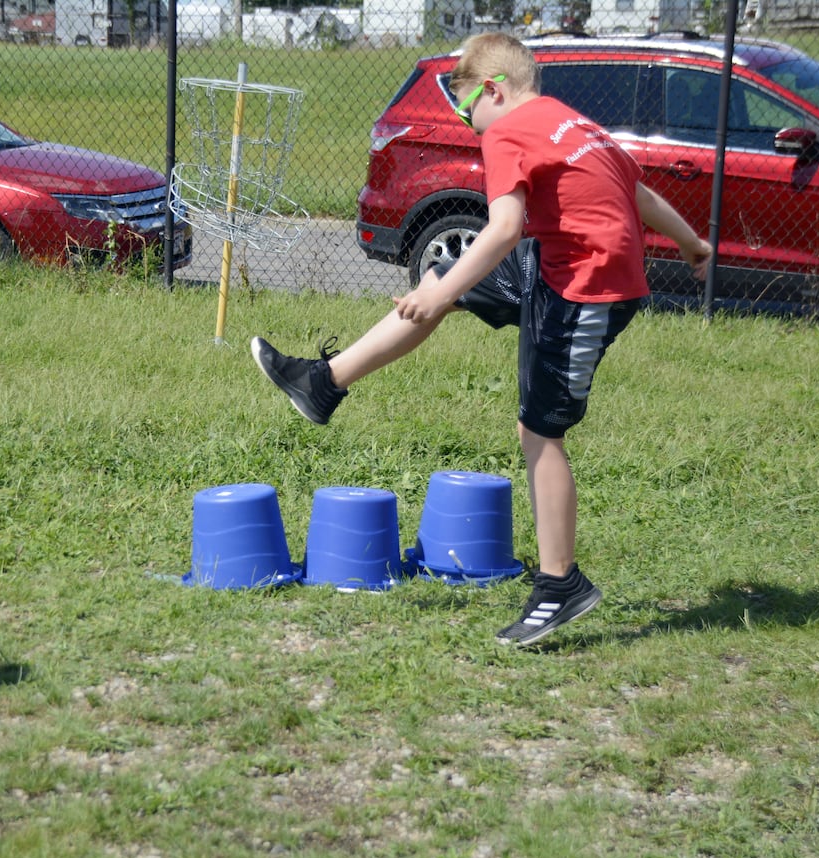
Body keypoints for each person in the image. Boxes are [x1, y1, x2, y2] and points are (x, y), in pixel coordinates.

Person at [250, 31, 712, 647]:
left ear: (494, 89)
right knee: (449, 274)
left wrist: (434, 297)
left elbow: (502, 229)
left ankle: (560, 584)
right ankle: (322, 385)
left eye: (469, 111)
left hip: (585, 290)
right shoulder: (576, 125)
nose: (471, 127)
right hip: (556, 262)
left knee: (540, 432)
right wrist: (692, 242)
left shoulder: (507, 132)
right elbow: (639, 191)